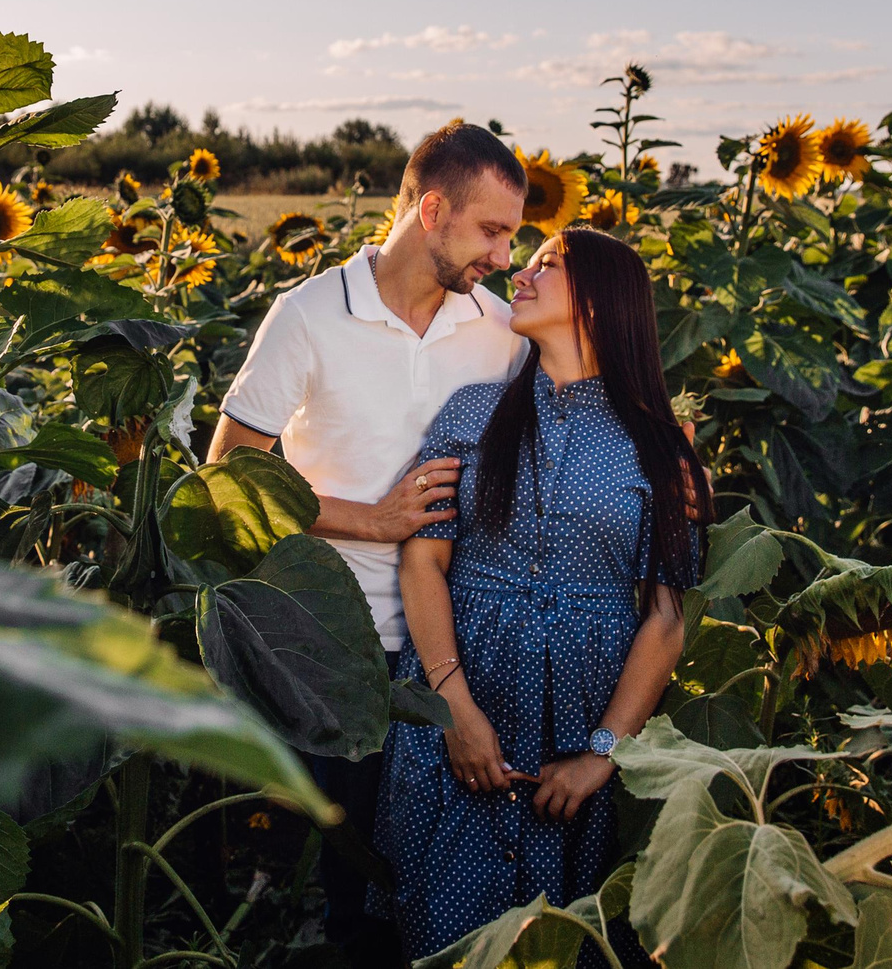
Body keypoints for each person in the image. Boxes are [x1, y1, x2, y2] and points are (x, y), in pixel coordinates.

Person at [208, 121, 529, 954]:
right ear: (432, 210)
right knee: (340, 881)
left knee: (425, 886)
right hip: (329, 646)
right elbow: (230, 470)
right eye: (492, 231)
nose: (503, 255)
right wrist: (371, 519)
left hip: (449, 652)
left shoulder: (497, 332)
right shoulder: (310, 313)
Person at [375, 227, 713, 961]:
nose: (520, 276)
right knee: (445, 936)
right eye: (524, 263)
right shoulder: (472, 413)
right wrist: (454, 709)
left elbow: (663, 617)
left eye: (547, 265)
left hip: (584, 713)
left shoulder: (659, 448)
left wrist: (602, 754)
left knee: (568, 939)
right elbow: (423, 565)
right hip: (463, 690)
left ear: (603, 300)